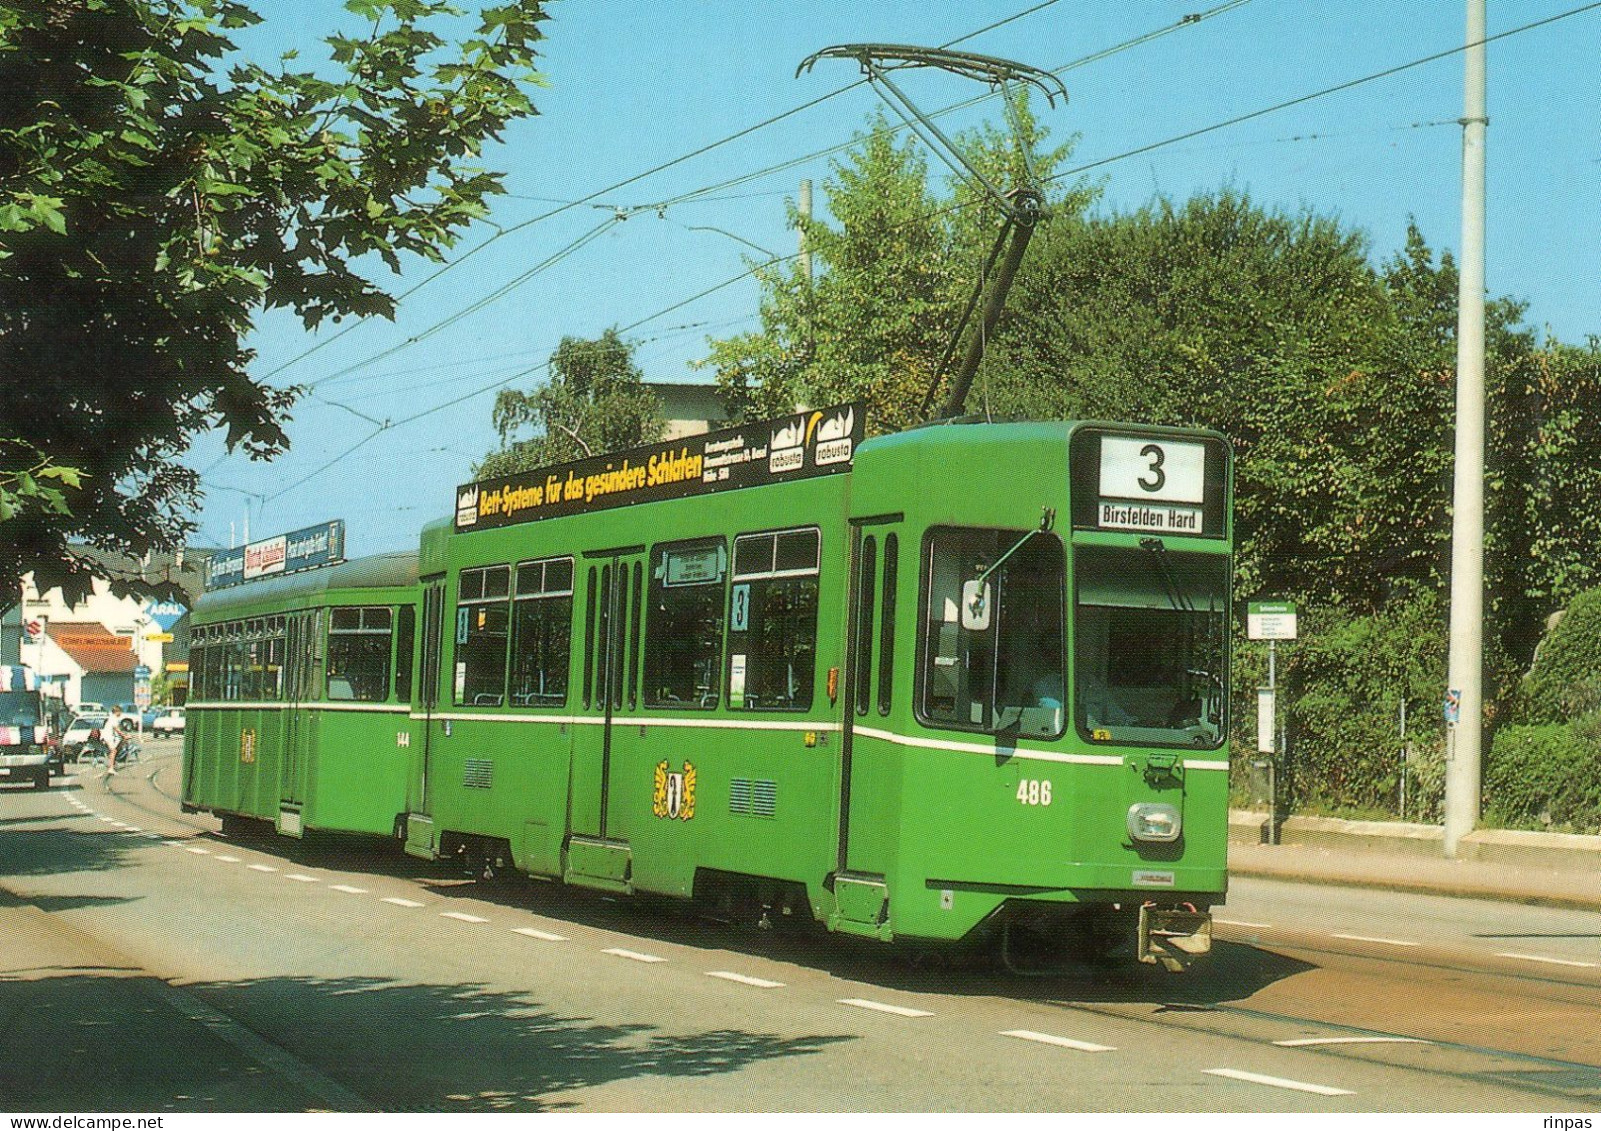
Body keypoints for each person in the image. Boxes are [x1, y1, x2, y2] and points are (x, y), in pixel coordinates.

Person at [103, 704, 127, 776]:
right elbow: (117, 729)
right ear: (117, 712)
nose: (121, 714)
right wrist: (124, 735)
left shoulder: (112, 718)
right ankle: (111, 768)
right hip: (108, 737)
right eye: (120, 712)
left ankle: (112, 762)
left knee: (115, 749)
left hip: (109, 736)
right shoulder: (114, 718)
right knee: (114, 751)